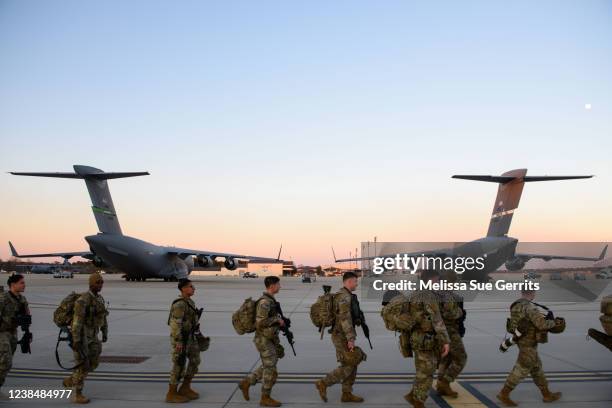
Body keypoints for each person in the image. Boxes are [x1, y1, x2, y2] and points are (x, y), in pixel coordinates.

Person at [497, 288, 561, 406]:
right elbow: (541, 325)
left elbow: (514, 325)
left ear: (522, 293)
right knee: (521, 369)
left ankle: (546, 394)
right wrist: (554, 322)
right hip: (529, 343)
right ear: (532, 293)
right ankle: (504, 393)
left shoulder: (515, 305)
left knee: (536, 368)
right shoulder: (530, 308)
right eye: (534, 292)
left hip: (521, 340)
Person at [315, 271, 365, 403]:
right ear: (349, 282)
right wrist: (350, 338)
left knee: (352, 363)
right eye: (355, 281)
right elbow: (344, 319)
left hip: (342, 334)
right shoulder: (344, 297)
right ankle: (324, 383)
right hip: (341, 335)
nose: (357, 283)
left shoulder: (345, 295)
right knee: (348, 365)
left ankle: (347, 394)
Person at [405, 269, 450, 408]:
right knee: (428, 372)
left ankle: (413, 395)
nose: (437, 282)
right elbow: (437, 319)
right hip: (426, 339)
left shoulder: (414, 293)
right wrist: (446, 341)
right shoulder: (428, 295)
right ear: (431, 279)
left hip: (416, 338)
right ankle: (418, 402)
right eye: (436, 280)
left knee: (421, 370)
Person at [239, 276, 285, 407]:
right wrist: (276, 320)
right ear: (272, 286)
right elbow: (260, 323)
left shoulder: (270, 300)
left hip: (269, 338)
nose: (280, 287)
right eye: (278, 284)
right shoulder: (265, 302)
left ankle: (247, 382)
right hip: (263, 340)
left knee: (269, 364)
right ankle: (265, 397)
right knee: (270, 367)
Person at [66, 272, 108, 404]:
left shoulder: (99, 299)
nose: (100, 285)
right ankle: (77, 393)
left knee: (94, 362)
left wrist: (105, 332)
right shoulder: (82, 300)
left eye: (101, 282)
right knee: (81, 364)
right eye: (97, 282)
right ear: (91, 284)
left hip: (93, 335)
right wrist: (76, 340)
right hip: (83, 335)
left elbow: (103, 317)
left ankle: (71, 380)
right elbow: (77, 322)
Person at [166, 278, 202, 403]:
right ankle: (171, 393)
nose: (193, 289)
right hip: (181, 339)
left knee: (195, 361)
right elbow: (175, 325)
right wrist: (179, 342)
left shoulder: (190, 302)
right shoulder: (179, 304)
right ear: (184, 288)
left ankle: (185, 387)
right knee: (179, 364)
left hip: (190, 338)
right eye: (191, 286)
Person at [436, 270, 467, 398]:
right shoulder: (447, 296)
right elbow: (453, 314)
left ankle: (440, 385)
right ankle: (445, 382)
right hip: (450, 332)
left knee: (446, 359)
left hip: (440, 332)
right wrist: (461, 312)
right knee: (461, 358)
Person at [0, 274, 30, 399]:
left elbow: (26, 318)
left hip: (13, 333)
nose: (24, 285)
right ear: (13, 285)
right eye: (21, 283)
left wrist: (27, 334)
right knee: (5, 362)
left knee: (7, 362)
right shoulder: (3, 298)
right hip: (2, 332)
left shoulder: (22, 300)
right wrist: (9, 320)